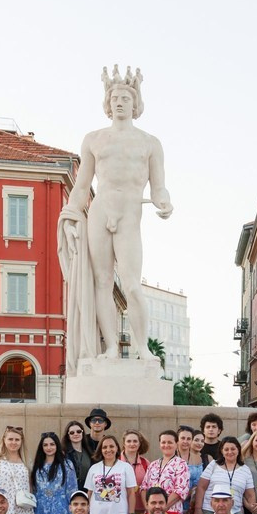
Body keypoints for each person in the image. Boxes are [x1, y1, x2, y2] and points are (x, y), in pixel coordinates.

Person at [57, 66, 172, 363]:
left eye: (125, 98)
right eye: (115, 98)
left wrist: (164, 202)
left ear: (135, 104)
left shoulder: (150, 143)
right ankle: (110, 348)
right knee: (102, 282)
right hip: (100, 211)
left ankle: (142, 348)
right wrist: (70, 216)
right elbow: (82, 186)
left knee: (132, 285)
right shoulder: (94, 139)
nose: (119, 102)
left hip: (129, 214)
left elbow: (158, 187)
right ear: (108, 104)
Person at [192, 436, 257, 514]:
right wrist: (198, 509)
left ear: (238, 450)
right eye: (226, 449)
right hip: (210, 511)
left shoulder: (245, 469)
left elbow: (250, 495)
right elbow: (201, 487)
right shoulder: (213, 465)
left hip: (235, 513)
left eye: (233, 449)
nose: (230, 452)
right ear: (222, 452)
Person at [141, 429, 190, 514]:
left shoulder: (181, 464)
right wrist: (148, 507)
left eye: (170, 442)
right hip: (151, 513)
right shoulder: (153, 464)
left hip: (171, 511)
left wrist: (161, 507)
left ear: (176, 444)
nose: (166, 445)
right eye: (163, 442)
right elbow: (143, 487)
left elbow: (180, 490)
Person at [120, 429, 151, 514]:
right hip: (120, 508)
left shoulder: (145, 463)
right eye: (129, 441)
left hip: (140, 509)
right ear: (124, 444)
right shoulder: (116, 461)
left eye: (135, 441)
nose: (132, 444)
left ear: (139, 444)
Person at [62, 420, 93, 484]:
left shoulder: (89, 452)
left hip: (87, 487)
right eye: (72, 432)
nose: (76, 434)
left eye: (78, 431)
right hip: (70, 487)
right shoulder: (64, 453)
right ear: (68, 436)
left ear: (82, 433)